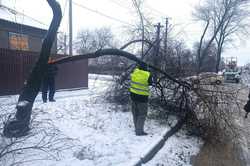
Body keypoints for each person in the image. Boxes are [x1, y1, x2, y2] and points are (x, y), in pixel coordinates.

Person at [129, 63, 153, 136]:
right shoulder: (148, 74)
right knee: (142, 114)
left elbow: (131, 77)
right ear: (146, 67)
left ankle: (137, 128)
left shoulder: (135, 71)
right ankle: (139, 131)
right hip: (142, 98)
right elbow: (150, 84)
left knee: (135, 113)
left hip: (133, 96)